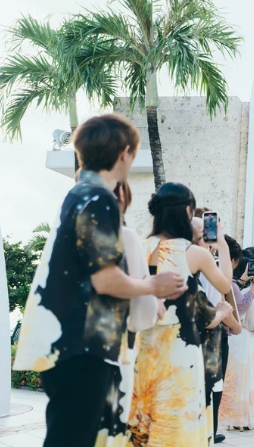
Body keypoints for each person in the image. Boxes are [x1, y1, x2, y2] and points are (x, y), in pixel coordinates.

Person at [13, 114, 186, 447]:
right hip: (82, 345)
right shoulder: (98, 197)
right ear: (124, 153)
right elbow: (105, 280)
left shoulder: (80, 193)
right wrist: (153, 286)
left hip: (66, 344)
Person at [126, 182, 235, 446]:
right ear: (187, 210)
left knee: (145, 417)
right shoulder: (192, 252)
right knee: (179, 419)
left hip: (143, 346)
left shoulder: (141, 246)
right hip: (180, 349)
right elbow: (225, 285)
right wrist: (221, 243)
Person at [96, 180, 164, 446]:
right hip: (115, 347)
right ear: (122, 197)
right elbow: (143, 312)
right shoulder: (125, 237)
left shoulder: (67, 234)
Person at [192, 216, 242, 446]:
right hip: (209, 335)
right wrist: (232, 322)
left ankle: (208, 432)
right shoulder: (203, 262)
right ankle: (208, 433)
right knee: (211, 388)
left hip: (199, 333)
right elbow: (223, 289)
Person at [219, 245, 254, 430]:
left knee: (233, 378)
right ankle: (242, 419)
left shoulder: (232, 285)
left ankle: (231, 419)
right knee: (244, 379)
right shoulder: (238, 288)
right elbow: (249, 313)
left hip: (232, 337)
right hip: (244, 337)